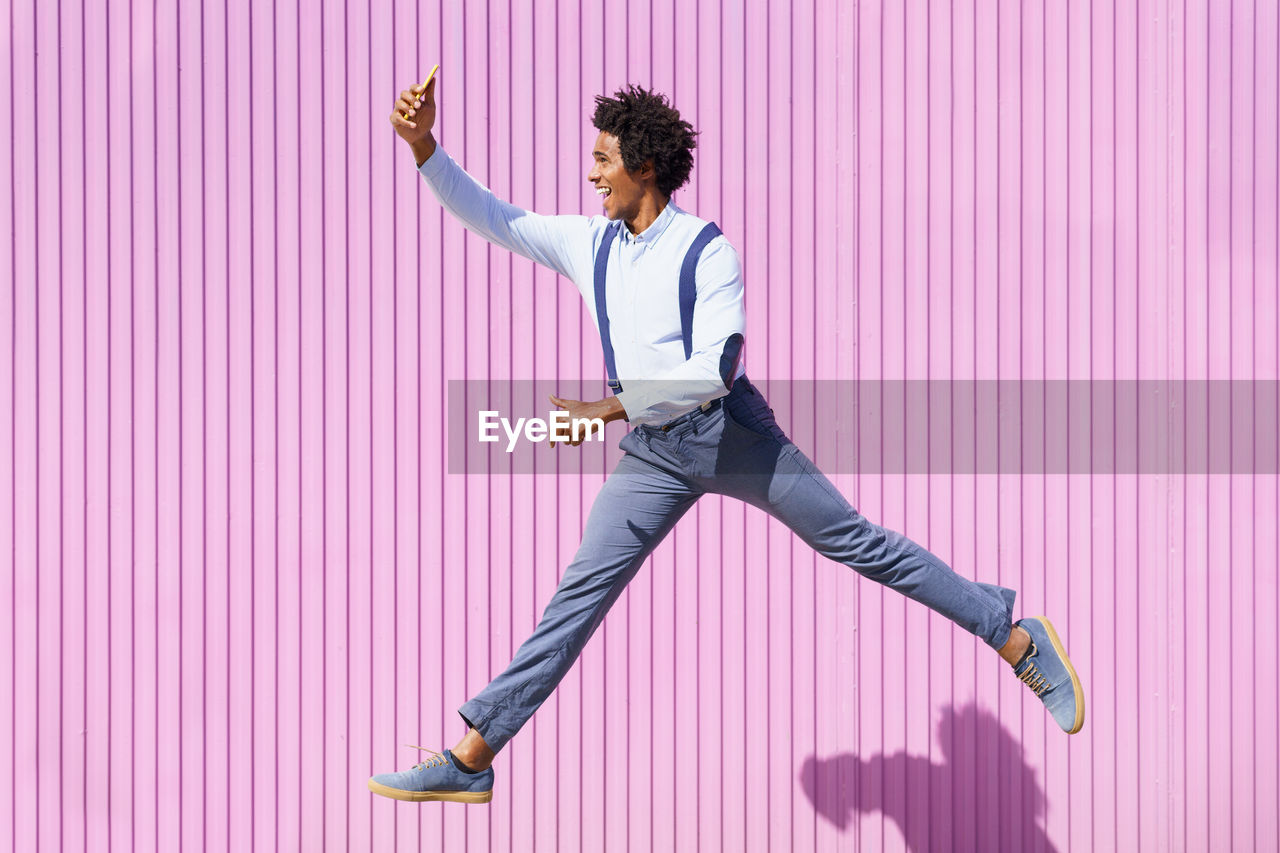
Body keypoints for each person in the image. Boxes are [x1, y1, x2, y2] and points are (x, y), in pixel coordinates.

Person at [369, 76, 1085, 805]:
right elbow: (496, 217)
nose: (591, 174)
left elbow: (714, 369)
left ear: (643, 167)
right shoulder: (592, 244)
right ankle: (472, 756)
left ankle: (1014, 636)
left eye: (602, 159)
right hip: (652, 455)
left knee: (859, 543)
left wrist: (611, 409)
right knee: (576, 599)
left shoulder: (707, 250)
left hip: (728, 436)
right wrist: (424, 147)